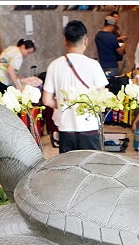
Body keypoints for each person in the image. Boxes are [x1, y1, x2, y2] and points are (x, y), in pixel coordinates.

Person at [42, 20, 109, 153]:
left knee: (69, 165)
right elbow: (102, 98)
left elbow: (46, 100)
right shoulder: (94, 65)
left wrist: (63, 104)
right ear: (86, 40)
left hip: (66, 129)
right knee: (91, 164)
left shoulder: (54, 65)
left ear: (65, 41)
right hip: (89, 127)